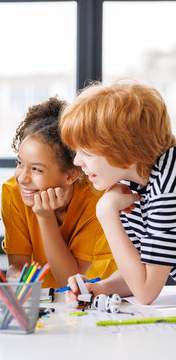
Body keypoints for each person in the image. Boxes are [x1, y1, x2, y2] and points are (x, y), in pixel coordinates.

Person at [60, 81, 176, 305]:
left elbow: (145, 291)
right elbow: (141, 271)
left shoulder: (167, 189)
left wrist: (105, 213)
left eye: (86, 152)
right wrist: (100, 288)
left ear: (127, 152)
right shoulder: (132, 183)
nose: (77, 161)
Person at [1, 97, 117, 288]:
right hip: (47, 301)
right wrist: (15, 281)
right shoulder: (14, 192)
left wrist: (45, 217)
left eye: (36, 169)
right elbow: (18, 265)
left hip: (95, 300)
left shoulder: (98, 200)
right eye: (19, 163)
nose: (22, 178)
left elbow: (69, 281)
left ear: (71, 175)